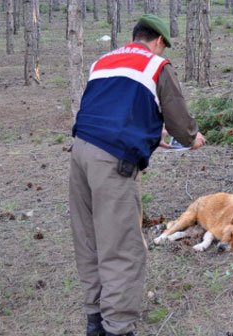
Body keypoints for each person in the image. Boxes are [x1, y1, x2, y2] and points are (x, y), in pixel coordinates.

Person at [69, 14, 206, 336]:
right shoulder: (156, 65)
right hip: (113, 162)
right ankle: (117, 327)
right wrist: (191, 137)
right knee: (122, 247)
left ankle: (94, 318)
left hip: (80, 153)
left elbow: (112, 108)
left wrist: (145, 132)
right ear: (158, 41)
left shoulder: (102, 62)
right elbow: (176, 114)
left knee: (89, 240)